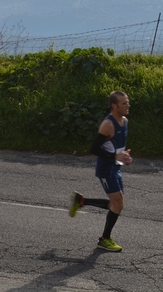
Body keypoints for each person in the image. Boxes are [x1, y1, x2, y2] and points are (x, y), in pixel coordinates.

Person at [69, 90, 132, 252]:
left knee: (117, 204)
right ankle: (104, 239)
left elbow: (116, 148)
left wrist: (124, 157)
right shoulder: (108, 124)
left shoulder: (124, 121)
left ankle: (81, 201)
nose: (127, 105)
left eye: (127, 102)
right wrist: (115, 156)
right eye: (124, 103)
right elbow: (94, 148)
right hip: (106, 170)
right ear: (114, 106)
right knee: (118, 203)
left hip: (115, 168)